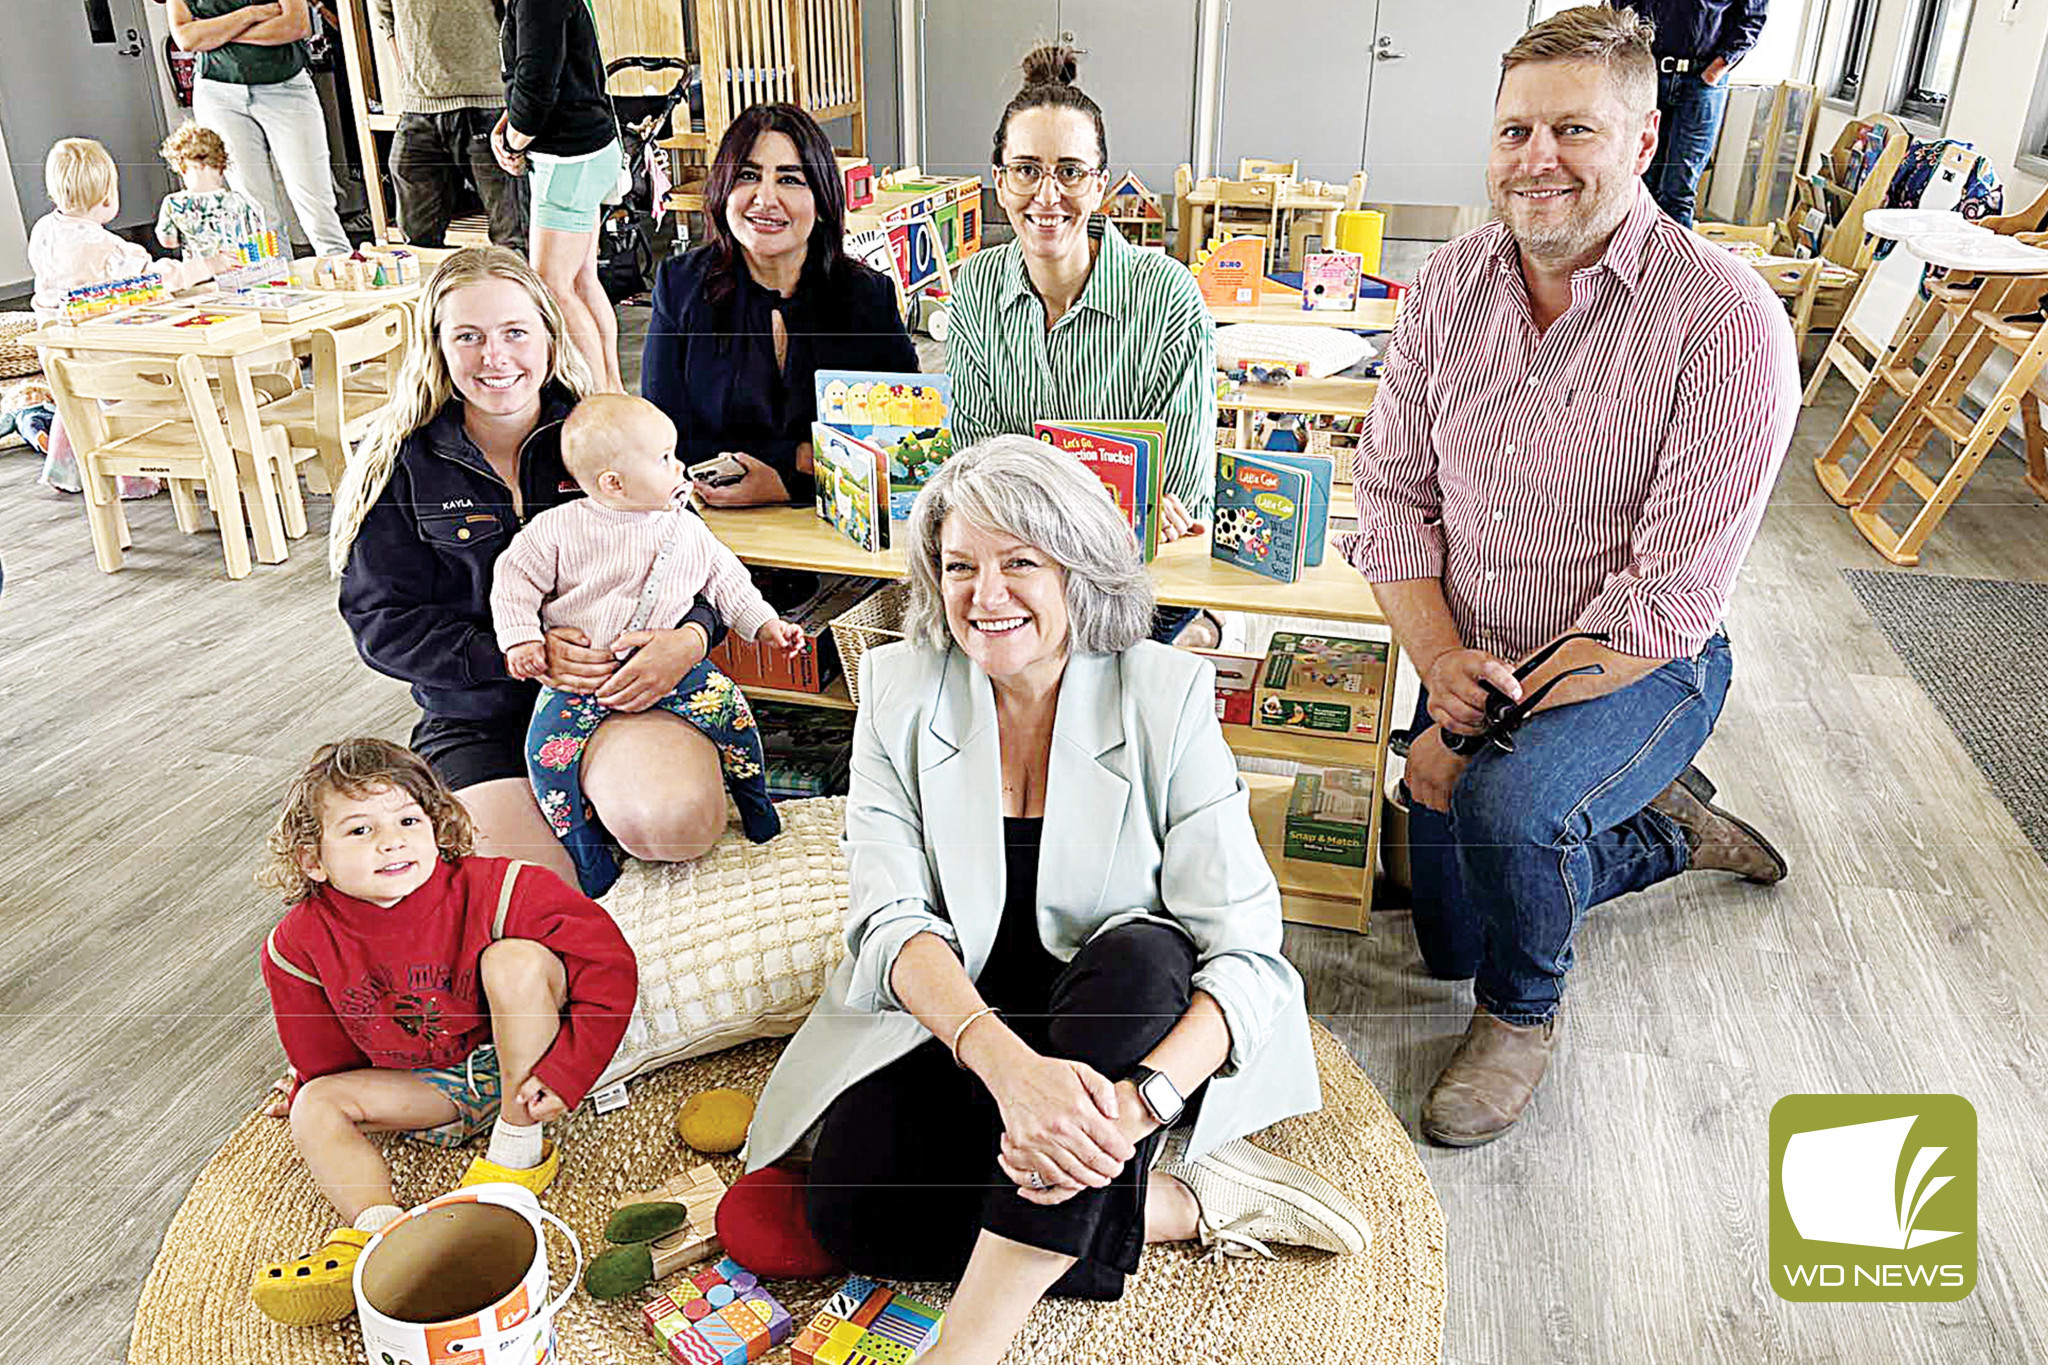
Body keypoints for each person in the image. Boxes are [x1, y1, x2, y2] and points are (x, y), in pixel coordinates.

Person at [746, 437, 1369, 1365]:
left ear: (1081, 570)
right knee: (852, 1211)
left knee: (1145, 953)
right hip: (967, 1020)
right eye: (960, 565)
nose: (985, 595)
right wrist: (1011, 1072)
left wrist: (1130, 1109)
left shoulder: (1165, 695)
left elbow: (1245, 952)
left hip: (1126, 1029)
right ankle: (1179, 1201)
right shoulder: (898, 693)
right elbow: (890, 922)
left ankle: (970, 1344)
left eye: (1020, 562)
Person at [1341, 5, 1796, 1149]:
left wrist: (1468, 727)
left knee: (1502, 806)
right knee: (1441, 936)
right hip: (1471, 658)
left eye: (1573, 132)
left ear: (1643, 142)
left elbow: (1662, 602)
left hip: (1643, 666)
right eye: (1512, 132)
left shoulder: (1724, 322)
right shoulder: (1446, 285)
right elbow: (1392, 503)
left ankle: (1523, 1013)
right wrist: (1442, 669)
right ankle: (1663, 835)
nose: (1535, 160)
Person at [330, 246, 732, 894]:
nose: (496, 357)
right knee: (537, 897)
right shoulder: (400, 465)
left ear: (549, 334)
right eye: (470, 337)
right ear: (437, 346)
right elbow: (381, 624)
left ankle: (603, 802)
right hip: (478, 718)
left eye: (515, 331)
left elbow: (703, 563)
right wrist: (513, 653)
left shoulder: (603, 432)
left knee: (677, 824)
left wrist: (687, 639)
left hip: (615, 696)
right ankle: (564, 820)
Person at [249, 738, 636, 1326]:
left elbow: (609, 965)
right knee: (314, 1106)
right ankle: (379, 1230)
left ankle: (517, 1150)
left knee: (515, 960)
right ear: (312, 861)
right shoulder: (294, 946)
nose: (392, 841)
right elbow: (322, 1054)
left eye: (408, 820)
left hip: (514, 1065)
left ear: (435, 826)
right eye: (359, 831)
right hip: (426, 1087)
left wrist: (569, 1069)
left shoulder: (503, 887)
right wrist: (306, 1084)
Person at [946, 44, 1218, 646]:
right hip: (1015, 573)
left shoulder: (1167, 293)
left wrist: (1061, 517)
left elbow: (1176, 492)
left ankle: (1196, 630)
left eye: (1069, 171)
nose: (1047, 196)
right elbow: (970, 460)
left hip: (1128, 577)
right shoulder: (973, 289)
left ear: (1098, 186)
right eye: (1026, 170)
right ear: (999, 181)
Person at [489, 393, 805, 895]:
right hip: (583, 679)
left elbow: (729, 584)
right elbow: (512, 584)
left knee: (737, 720)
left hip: (678, 672)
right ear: (613, 482)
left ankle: (756, 804)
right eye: (664, 459)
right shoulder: (558, 530)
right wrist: (522, 640)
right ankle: (583, 847)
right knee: (547, 757)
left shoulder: (687, 529)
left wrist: (766, 626)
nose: (680, 466)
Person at [642, 102, 916, 509]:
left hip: (839, 531)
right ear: (723, 190)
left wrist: (786, 484)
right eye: (748, 176)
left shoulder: (868, 296)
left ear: (822, 201)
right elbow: (664, 437)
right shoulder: (679, 286)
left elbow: (903, 446)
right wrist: (799, 457)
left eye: (790, 179)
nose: (765, 198)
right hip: (714, 527)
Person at [28, 138, 230, 497]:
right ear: (108, 197)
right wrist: (208, 266)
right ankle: (139, 473)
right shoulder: (111, 250)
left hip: (58, 347)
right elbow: (160, 277)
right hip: (105, 352)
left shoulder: (43, 231)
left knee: (72, 398)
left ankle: (65, 471)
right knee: (146, 385)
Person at [492, 0, 624, 391]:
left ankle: (599, 402)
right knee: (582, 280)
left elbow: (536, 89)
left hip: (569, 160)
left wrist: (513, 143)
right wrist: (509, 126)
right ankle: (612, 391)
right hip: (584, 152)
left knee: (553, 285)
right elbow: (548, 75)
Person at [169, 0, 354, 257]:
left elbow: (295, 25)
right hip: (218, 94)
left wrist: (217, 33)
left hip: (286, 87)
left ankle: (349, 281)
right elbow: (186, 38)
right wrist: (252, 14)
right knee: (254, 210)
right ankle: (279, 288)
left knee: (316, 204)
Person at [371, 0, 528, 253]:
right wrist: (411, 80)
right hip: (419, 110)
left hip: (490, 104)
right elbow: (386, 16)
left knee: (514, 243)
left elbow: (520, 17)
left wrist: (515, 97)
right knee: (418, 244)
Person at [1625, 0, 1770, 226]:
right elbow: (1621, 7)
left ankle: (1674, 260)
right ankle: (1630, 257)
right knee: (1640, 179)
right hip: (1649, 76)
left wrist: (1716, 70)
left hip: (1701, 83)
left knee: (1679, 190)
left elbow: (1753, 20)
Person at [154, 123, 268, 260]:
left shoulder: (173, 203)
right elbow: (257, 235)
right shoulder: (238, 200)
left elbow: (168, 242)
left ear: (181, 168)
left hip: (199, 274)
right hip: (236, 269)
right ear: (221, 167)